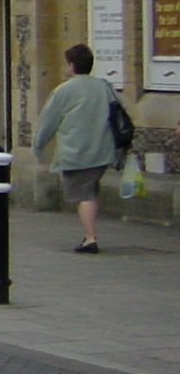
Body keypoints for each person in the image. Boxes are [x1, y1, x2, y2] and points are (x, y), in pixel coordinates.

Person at [34, 42, 123, 254]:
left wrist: (38, 146)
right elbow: (118, 114)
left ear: (72, 65)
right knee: (90, 190)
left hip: (77, 151)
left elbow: (48, 120)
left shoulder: (64, 90)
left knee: (84, 195)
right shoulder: (104, 86)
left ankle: (90, 238)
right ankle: (89, 235)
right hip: (102, 149)